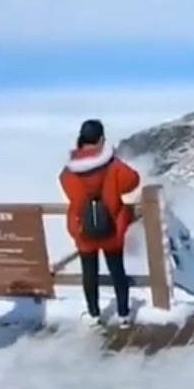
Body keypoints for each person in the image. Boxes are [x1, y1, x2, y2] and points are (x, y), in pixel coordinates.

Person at [59, 119, 141, 325]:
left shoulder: (69, 171)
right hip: (112, 228)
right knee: (117, 271)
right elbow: (133, 181)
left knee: (89, 272)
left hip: (83, 228)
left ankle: (94, 314)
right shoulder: (112, 165)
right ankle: (123, 314)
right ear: (101, 139)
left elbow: (66, 186)